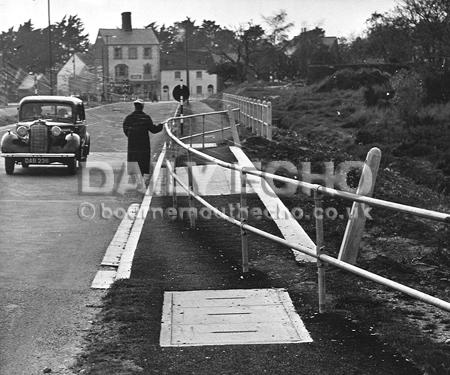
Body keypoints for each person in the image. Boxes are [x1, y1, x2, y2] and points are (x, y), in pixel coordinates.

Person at [123, 99, 163, 185]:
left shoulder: (129, 118)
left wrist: (130, 136)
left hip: (132, 143)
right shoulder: (146, 118)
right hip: (143, 143)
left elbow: (125, 128)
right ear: (142, 107)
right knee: (143, 159)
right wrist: (161, 126)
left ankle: (134, 176)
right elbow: (153, 129)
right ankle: (142, 177)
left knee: (133, 158)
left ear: (135, 106)